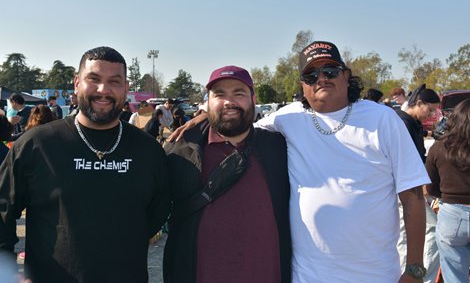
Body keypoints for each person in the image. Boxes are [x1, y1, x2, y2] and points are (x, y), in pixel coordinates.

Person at [169, 41, 430, 282]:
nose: (322, 79)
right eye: (311, 75)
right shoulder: (288, 118)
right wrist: (203, 118)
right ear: (302, 84)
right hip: (307, 276)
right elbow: (237, 120)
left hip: (375, 275)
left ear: (346, 75)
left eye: (330, 70)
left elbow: (414, 197)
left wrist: (415, 269)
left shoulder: (383, 120)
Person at [0, 46, 170, 283]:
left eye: (114, 81)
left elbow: (156, 214)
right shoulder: (37, 145)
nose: (104, 90)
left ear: (126, 88)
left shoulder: (148, 150)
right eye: (94, 79)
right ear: (77, 82)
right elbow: (3, 212)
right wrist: (7, 274)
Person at [163, 65, 291, 283]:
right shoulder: (181, 151)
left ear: (253, 98)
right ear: (208, 103)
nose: (229, 102)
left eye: (238, 93)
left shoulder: (279, 146)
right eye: (219, 95)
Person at [394, 85, 441, 283]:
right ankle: (422, 276)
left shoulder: (412, 123)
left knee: (406, 235)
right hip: (405, 191)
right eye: (429, 110)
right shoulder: (402, 123)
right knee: (431, 229)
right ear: (419, 104)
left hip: (410, 189)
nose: (431, 115)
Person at [425, 98, 470, 282]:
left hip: (451, 215)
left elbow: (429, 187)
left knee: (454, 277)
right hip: (452, 212)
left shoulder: (439, 148)